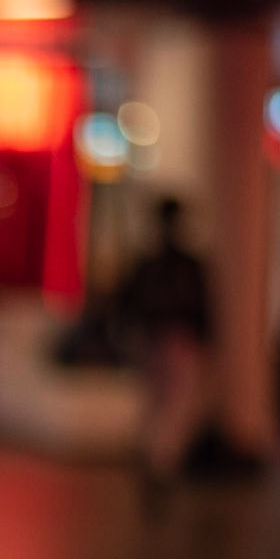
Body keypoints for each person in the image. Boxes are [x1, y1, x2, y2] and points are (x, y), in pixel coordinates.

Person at [115, 196, 212, 500]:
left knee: (164, 406)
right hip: (163, 341)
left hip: (165, 340)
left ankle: (159, 461)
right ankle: (160, 462)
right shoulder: (166, 265)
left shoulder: (159, 264)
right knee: (166, 406)